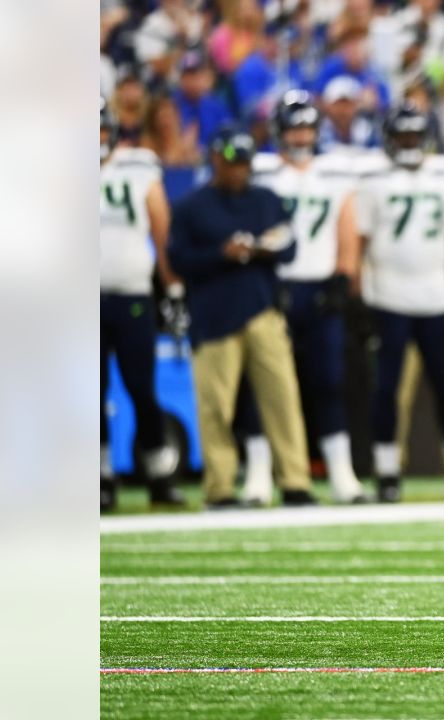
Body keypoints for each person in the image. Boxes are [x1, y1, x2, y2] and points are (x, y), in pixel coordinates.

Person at [167, 128, 317, 508]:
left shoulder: (267, 200)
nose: (239, 171)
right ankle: (219, 487)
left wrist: (265, 249)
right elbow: (178, 261)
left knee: (283, 399)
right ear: (215, 159)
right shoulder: (191, 207)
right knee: (216, 407)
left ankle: (295, 481)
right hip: (214, 317)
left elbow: (290, 246)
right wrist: (222, 253)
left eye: (245, 163)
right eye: (232, 162)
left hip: (263, 310)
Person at [356, 104, 444, 502]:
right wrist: (359, 299)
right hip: (387, 298)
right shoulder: (373, 181)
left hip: (437, 299)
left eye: (414, 136)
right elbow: (359, 245)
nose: (409, 143)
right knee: (387, 391)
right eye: (403, 137)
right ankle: (388, 472)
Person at [250, 91, 369, 504]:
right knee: (264, 385)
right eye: (295, 127)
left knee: (328, 382)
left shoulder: (335, 172)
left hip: (320, 288)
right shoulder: (261, 172)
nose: (301, 136)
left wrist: (344, 275)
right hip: (272, 286)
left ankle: (341, 476)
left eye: (307, 127)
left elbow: (347, 226)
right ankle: (260, 476)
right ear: (280, 131)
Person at [99, 99, 185, 511]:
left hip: (133, 295)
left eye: (100, 130)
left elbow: (162, 228)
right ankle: (99, 478)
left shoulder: (138, 166)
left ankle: (159, 473)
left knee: (142, 389)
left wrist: (173, 289)